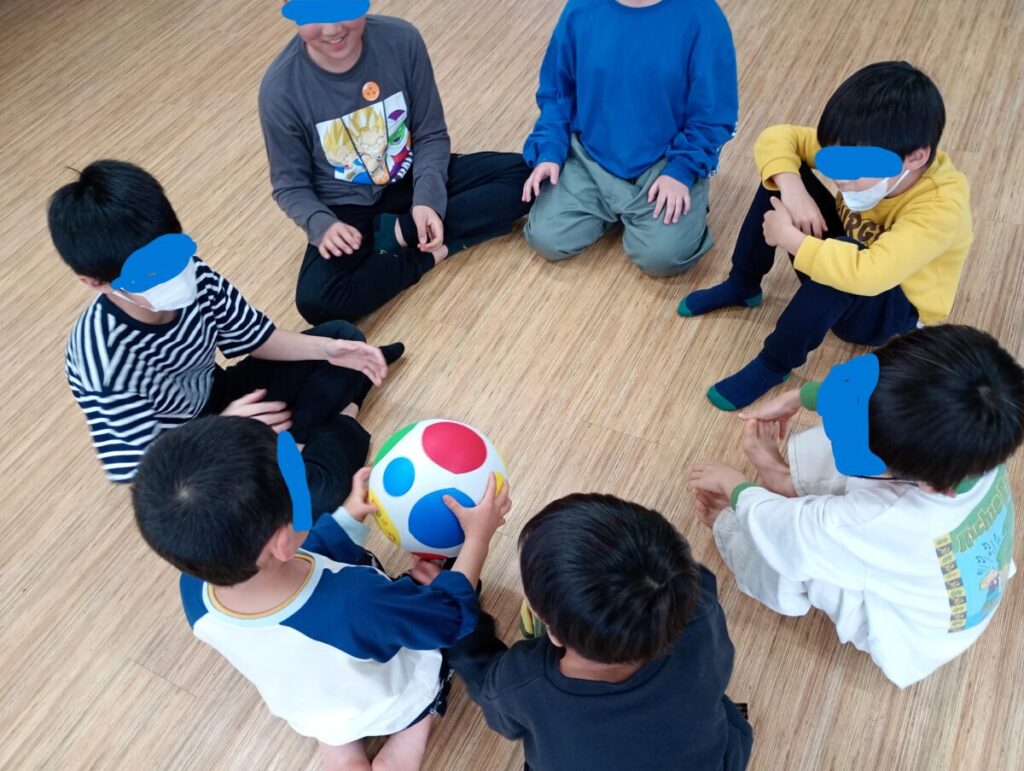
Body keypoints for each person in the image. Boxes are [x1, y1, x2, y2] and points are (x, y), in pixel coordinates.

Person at [132, 415, 512, 770]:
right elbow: (450, 615)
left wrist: (348, 514)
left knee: (333, 722)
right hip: (383, 696)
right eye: (299, 482)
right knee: (432, 663)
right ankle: (409, 731)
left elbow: (300, 554)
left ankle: (342, 752)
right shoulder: (356, 600)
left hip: (312, 709)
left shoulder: (196, 590)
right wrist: (478, 538)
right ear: (283, 543)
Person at [51, 160, 399, 514]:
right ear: (95, 283)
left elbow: (256, 337)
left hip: (217, 393)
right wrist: (224, 432)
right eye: (149, 274)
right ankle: (342, 421)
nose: (174, 275)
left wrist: (327, 349)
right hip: (186, 448)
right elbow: (146, 472)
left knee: (343, 337)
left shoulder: (191, 272)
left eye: (172, 254)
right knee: (304, 502)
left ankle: (299, 443)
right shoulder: (104, 360)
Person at [688, 325, 1024, 687]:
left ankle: (735, 523)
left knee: (791, 561)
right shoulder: (973, 441)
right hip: (954, 583)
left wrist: (736, 490)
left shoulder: (885, 519)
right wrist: (799, 397)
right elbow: (878, 393)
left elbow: (788, 536)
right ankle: (785, 479)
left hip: (910, 632)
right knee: (862, 444)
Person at [679, 61, 972, 410]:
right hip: (853, 255)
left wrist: (789, 237)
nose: (841, 178)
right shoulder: (870, 148)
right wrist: (792, 188)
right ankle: (743, 285)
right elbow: (777, 137)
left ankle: (774, 363)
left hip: (890, 309)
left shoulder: (941, 206)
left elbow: (868, 273)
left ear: (916, 157)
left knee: (843, 263)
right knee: (780, 177)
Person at [259, 0, 531, 323]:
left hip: (411, 174)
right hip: (345, 207)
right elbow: (290, 186)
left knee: (526, 177)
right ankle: (426, 251)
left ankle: (400, 232)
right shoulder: (280, 90)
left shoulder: (402, 40)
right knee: (317, 301)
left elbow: (430, 134)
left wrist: (427, 200)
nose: (332, 29)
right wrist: (322, 224)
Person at [445, 493, 753, 770]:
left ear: (554, 633)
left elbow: (483, 677)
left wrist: (452, 595)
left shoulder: (527, 682)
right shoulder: (699, 610)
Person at [520, 0, 738, 277]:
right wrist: (550, 150)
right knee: (546, 238)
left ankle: (681, 198)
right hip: (590, 156)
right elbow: (557, 91)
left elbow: (713, 114)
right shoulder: (581, 8)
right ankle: (616, 208)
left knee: (662, 257)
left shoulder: (702, 16)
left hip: (666, 160)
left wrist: (681, 170)